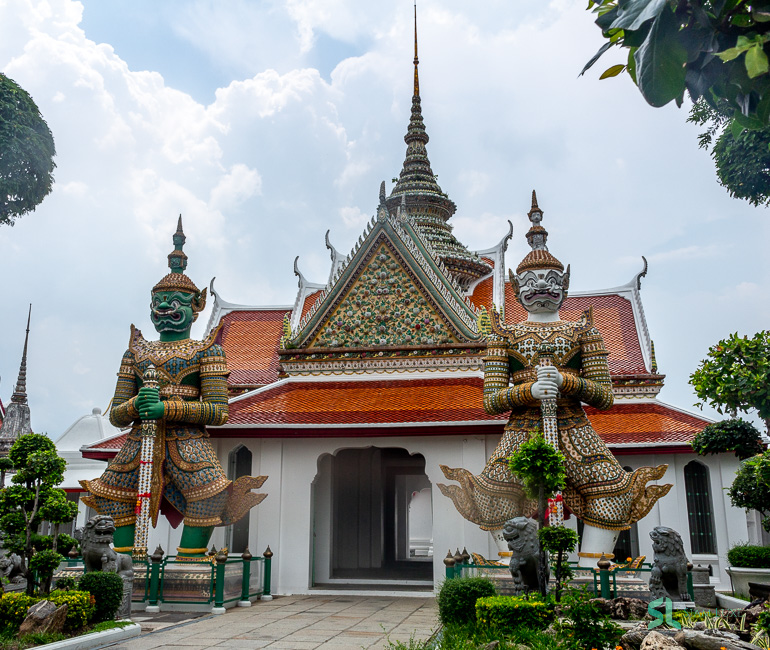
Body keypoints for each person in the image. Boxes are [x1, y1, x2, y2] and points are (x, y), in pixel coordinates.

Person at [438, 192, 671, 566]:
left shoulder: (583, 332)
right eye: (530, 282)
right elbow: (491, 400)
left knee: (610, 496)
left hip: (574, 426)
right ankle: (517, 566)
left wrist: (568, 382)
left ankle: (593, 569)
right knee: (496, 497)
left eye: (550, 280)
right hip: (523, 430)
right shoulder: (505, 336)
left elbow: (605, 396)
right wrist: (529, 390)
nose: (540, 287)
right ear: (515, 288)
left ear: (564, 284)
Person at [81, 218, 265, 559]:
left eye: (176, 301)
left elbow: (219, 412)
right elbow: (118, 415)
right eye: (159, 302)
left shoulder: (206, 350)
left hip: (189, 441)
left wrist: (168, 409)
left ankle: (189, 562)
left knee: (211, 494)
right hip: (140, 440)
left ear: (196, 308)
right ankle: (120, 563)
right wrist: (137, 404)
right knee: (112, 494)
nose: (165, 308)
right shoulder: (135, 352)